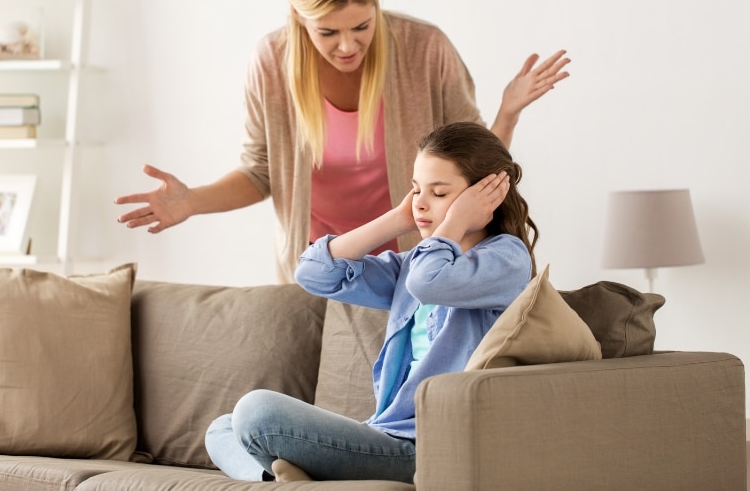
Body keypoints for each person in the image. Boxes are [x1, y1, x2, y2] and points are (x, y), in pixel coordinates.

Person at [115, 0, 567, 282]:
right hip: (324, 262)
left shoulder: (425, 49)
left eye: (362, 26)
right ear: (298, 16)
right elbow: (260, 172)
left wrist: (508, 113)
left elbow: (477, 166)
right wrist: (192, 201)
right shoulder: (271, 62)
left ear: (376, 4)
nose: (348, 46)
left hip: (416, 260)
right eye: (328, 32)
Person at [203, 121, 539, 483]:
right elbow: (313, 274)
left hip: (429, 446)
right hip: (383, 431)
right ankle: (279, 478)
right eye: (416, 190)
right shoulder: (412, 265)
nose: (420, 203)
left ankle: (295, 473)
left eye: (439, 193)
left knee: (256, 412)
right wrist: (397, 219)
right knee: (222, 427)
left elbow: (428, 282)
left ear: (486, 197)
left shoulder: (506, 259)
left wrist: (455, 222)